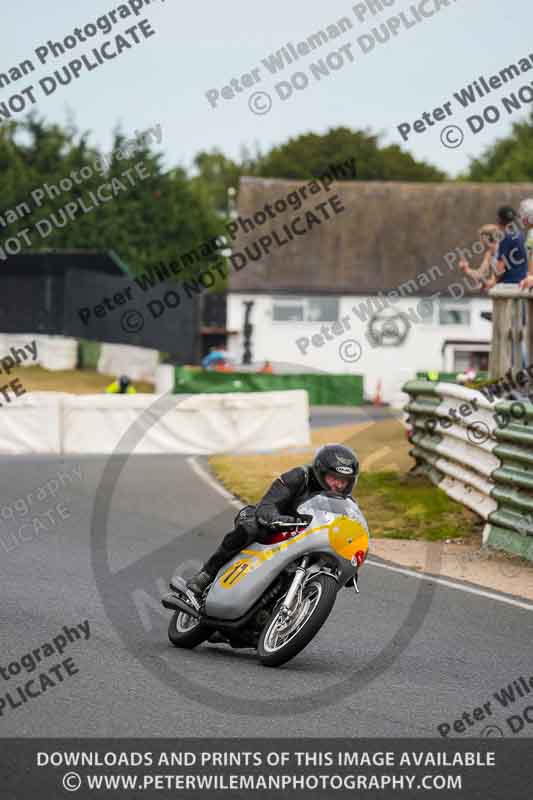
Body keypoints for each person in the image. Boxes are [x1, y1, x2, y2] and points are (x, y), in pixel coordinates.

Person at [186, 444, 360, 596]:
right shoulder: (300, 476)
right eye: (334, 478)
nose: (338, 484)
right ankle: (207, 574)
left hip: (304, 538)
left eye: (343, 481)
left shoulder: (346, 504)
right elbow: (268, 504)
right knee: (251, 527)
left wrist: (348, 560)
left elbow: (349, 533)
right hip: (269, 521)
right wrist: (277, 519)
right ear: (321, 472)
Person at [458, 224, 501, 289]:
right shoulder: (489, 254)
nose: (480, 242)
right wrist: (466, 269)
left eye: (481, 239)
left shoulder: (502, 251)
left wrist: (485, 284)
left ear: (486, 239)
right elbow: (479, 273)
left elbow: (493, 282)